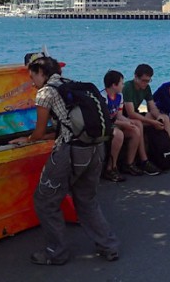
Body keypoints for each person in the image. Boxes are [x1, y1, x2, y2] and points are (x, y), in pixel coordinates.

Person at [10, 56, 119, 265]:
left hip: (71, 152)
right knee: (87, 199)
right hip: (96, 148)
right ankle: (109, 246)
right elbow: (67, 125)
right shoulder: (72, 85)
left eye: (33, 76)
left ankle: (56, 252)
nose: (32, 82)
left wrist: (28, 139)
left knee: (45, 200)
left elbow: (40, 131)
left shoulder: (45, 93)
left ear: (42, 73)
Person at [100, 70, 160, 181]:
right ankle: (110, 168)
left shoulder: (119, 97)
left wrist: (129, 122)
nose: (123, 85)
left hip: (114, 122)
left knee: (136, 127)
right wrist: (124, 123)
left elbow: (118, 115)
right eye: (121, 83)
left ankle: (129, 163)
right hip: (104, 125)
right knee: (119, 135)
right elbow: (106, 120)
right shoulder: (103, 98)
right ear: (114, 85)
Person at [122, 64, 170, 173]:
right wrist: (152, 122)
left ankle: (169, 152)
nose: (146, 83)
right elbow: (131, 113)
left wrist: (158, 117)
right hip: (124, 117)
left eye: (148, 81)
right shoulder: (128, 87)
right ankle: (144, 161)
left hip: (136, 115)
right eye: (143, 81)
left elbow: (152, 107)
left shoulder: (146, 88)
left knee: (165, 118)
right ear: (136, 77)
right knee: (139, 124)